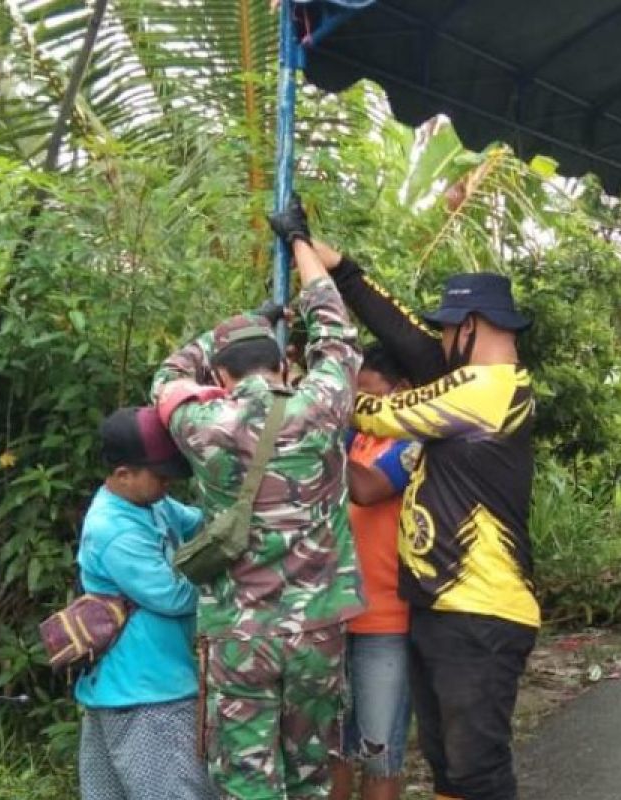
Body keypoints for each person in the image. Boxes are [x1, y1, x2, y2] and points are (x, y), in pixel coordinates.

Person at [286, 209, 535, 799]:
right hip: (439, 606)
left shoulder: (489, 389)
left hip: (480, 612)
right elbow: (404, 338)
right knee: (448, 766)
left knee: (478, 770)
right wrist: (335, 265)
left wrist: (310, 388)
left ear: (471, 326)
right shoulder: (467, 378)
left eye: (449, 330)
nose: (441, 342)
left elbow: (377, 410)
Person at [150, 209, 364, 800]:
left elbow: (166, 376)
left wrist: (243, 322)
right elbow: (336, 333)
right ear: (284, 365)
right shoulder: (321, 404)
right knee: (311, 777)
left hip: (239, 633)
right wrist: (299, 244)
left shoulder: (201, 423)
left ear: (219, 374)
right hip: (316, 628)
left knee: (247, 781)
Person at [76, 406, 215, 800]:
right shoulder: (113, 529)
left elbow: (196, 521)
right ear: (123, 474)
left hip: (133, 687)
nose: (168, 482)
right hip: (147, 692)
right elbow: (173, 595)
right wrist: (226, 594)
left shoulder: (150, 504)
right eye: (160, 475)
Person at [330, 345, 420, 800]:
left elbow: (366, 490)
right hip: (337, 614)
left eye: (366, 395)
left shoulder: (414, 442)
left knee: (379, 752)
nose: (358, 407)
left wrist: (323, 432)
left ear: (402, 391)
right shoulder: (360, 436)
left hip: (386, 620)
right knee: (334, 750)